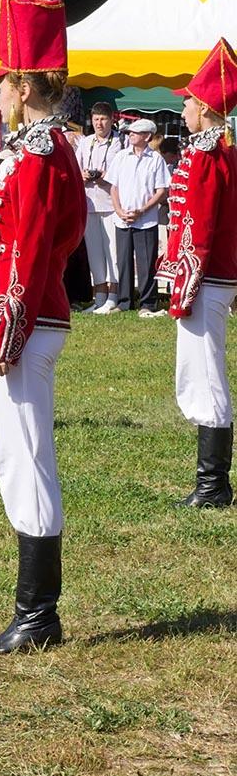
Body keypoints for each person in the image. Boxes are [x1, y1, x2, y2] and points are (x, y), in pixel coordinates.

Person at [0, 0, 86, 653]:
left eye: (1, 83)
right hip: (33, 318)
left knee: (27, 461)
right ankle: (35, 609)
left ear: (22, 87)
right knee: (20, 457)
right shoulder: (34, 148)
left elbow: (31, 251)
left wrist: (6, 336)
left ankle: (38, 613)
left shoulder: (40, 153)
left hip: (32, 321)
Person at [157, 38, 237, 507]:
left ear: (204, 107)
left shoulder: (207, 154)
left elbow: (199, 227)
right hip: (212, 277)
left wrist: (184, 285)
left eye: (187, 101)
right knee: (203, 370)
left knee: (205, 375)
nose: (183, 108)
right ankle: (213, 481)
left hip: (205, 278)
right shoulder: (220, 150)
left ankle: (213, 485)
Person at [110, 118, 170, 316]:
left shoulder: (156, 159)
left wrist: (143, 210)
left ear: (147, 136)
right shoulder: (121, 156)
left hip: (146, 219)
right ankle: (124, 301)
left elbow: (161, 191)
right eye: (130, 132)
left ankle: (148, 303)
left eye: (135, 132)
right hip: (122, 218)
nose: (131, 135)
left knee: (146, 262)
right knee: (123, 261)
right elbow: (114, 187)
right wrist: (119, 210)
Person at [74, 100, 122, 313]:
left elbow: (121, 172)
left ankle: (114, 295)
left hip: (111, 203)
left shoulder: (119, 142)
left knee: (112, 251)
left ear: (111, 120)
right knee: (94, 252)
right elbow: (76, 168)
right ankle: (100, 296)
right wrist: (83, 176)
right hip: (90, 203)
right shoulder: (86, 142)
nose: (99, 124)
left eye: (103, 119)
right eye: (96, 119)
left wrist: (105, 176)